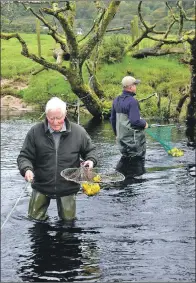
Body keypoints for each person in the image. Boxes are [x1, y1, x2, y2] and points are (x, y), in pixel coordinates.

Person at [17, 97, 98, 221]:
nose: (55, 122)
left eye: (58, 118)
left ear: (65, 114)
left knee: (68, 223)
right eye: (51, 118)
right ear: (46, 115)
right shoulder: (35, 132)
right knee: (35, 220)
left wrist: (90, 160)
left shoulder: (79, 132)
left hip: (68, 186)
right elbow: (24, 156)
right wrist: (26, 169)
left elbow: (91, 151)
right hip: (41, 185)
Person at [110, 76, 148, 177]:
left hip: (121, 139)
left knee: (126, 158)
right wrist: (144, 123)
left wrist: (116, 135)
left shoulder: (116, 100)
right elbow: (135, 121)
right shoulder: (132, 101)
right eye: (135, 85)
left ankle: (121, 179)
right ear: (130, 87)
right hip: (134, 140)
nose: (136, 87)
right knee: (138, 163)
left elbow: (112, 119)